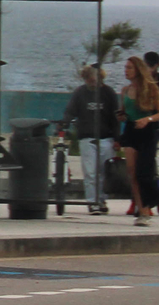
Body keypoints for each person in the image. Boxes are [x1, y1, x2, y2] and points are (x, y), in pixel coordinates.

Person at [61, 63, 121, 214]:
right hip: (87, 137)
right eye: (90, 81)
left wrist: (117, 138)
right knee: (90, 172)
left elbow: (115, 118)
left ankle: (101, 199)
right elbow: (70, 111)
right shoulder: (80, 93)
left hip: (106, 137)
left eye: (95, 81)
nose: (93, 84)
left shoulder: (108, 93)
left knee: (104, 171)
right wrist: (64, 124)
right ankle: (92, 201)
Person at [121, 58, 159, 225]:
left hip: (147, 130)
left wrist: (148, 119)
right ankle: (142, 211)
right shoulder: (125, 90)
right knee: (132, 173)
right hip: (130, 130)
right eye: (125, 67)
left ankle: (152, 200)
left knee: (144, 172)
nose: (126, 70)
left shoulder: (151, 88)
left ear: (138, 69)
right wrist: (121, 116)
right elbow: (124, 112)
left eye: (129, 67)